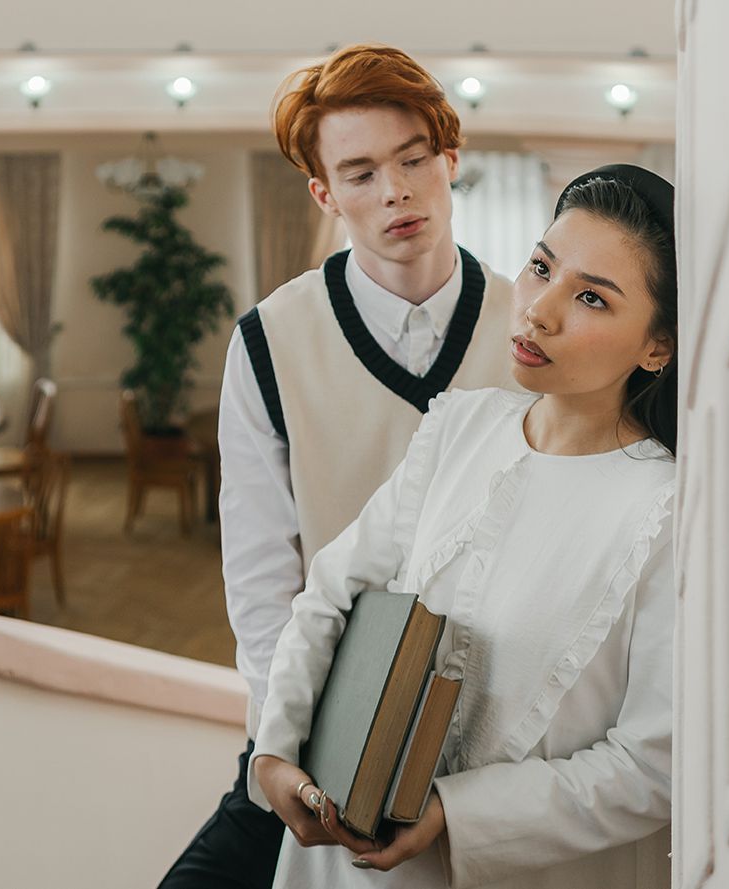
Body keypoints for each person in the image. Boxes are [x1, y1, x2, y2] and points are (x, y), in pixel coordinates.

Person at [249, 164, 681, 888]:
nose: (538, 310)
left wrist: (456, 811)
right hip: (336, 852)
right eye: (540, 267)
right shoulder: (459, 425)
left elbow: (653, 762)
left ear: (656, 347)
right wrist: (274, 750)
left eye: (591, 299)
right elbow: (330, 589)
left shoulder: (667, 506)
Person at [154, 44, 523, 889]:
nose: (394, 190)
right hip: (324, 705)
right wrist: (284, 736)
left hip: (487, 717)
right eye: (359, 173)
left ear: (449, 159)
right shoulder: (268, 342)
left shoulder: (525, 329)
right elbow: (257, 574)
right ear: (324, 194)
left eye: (413, 159)